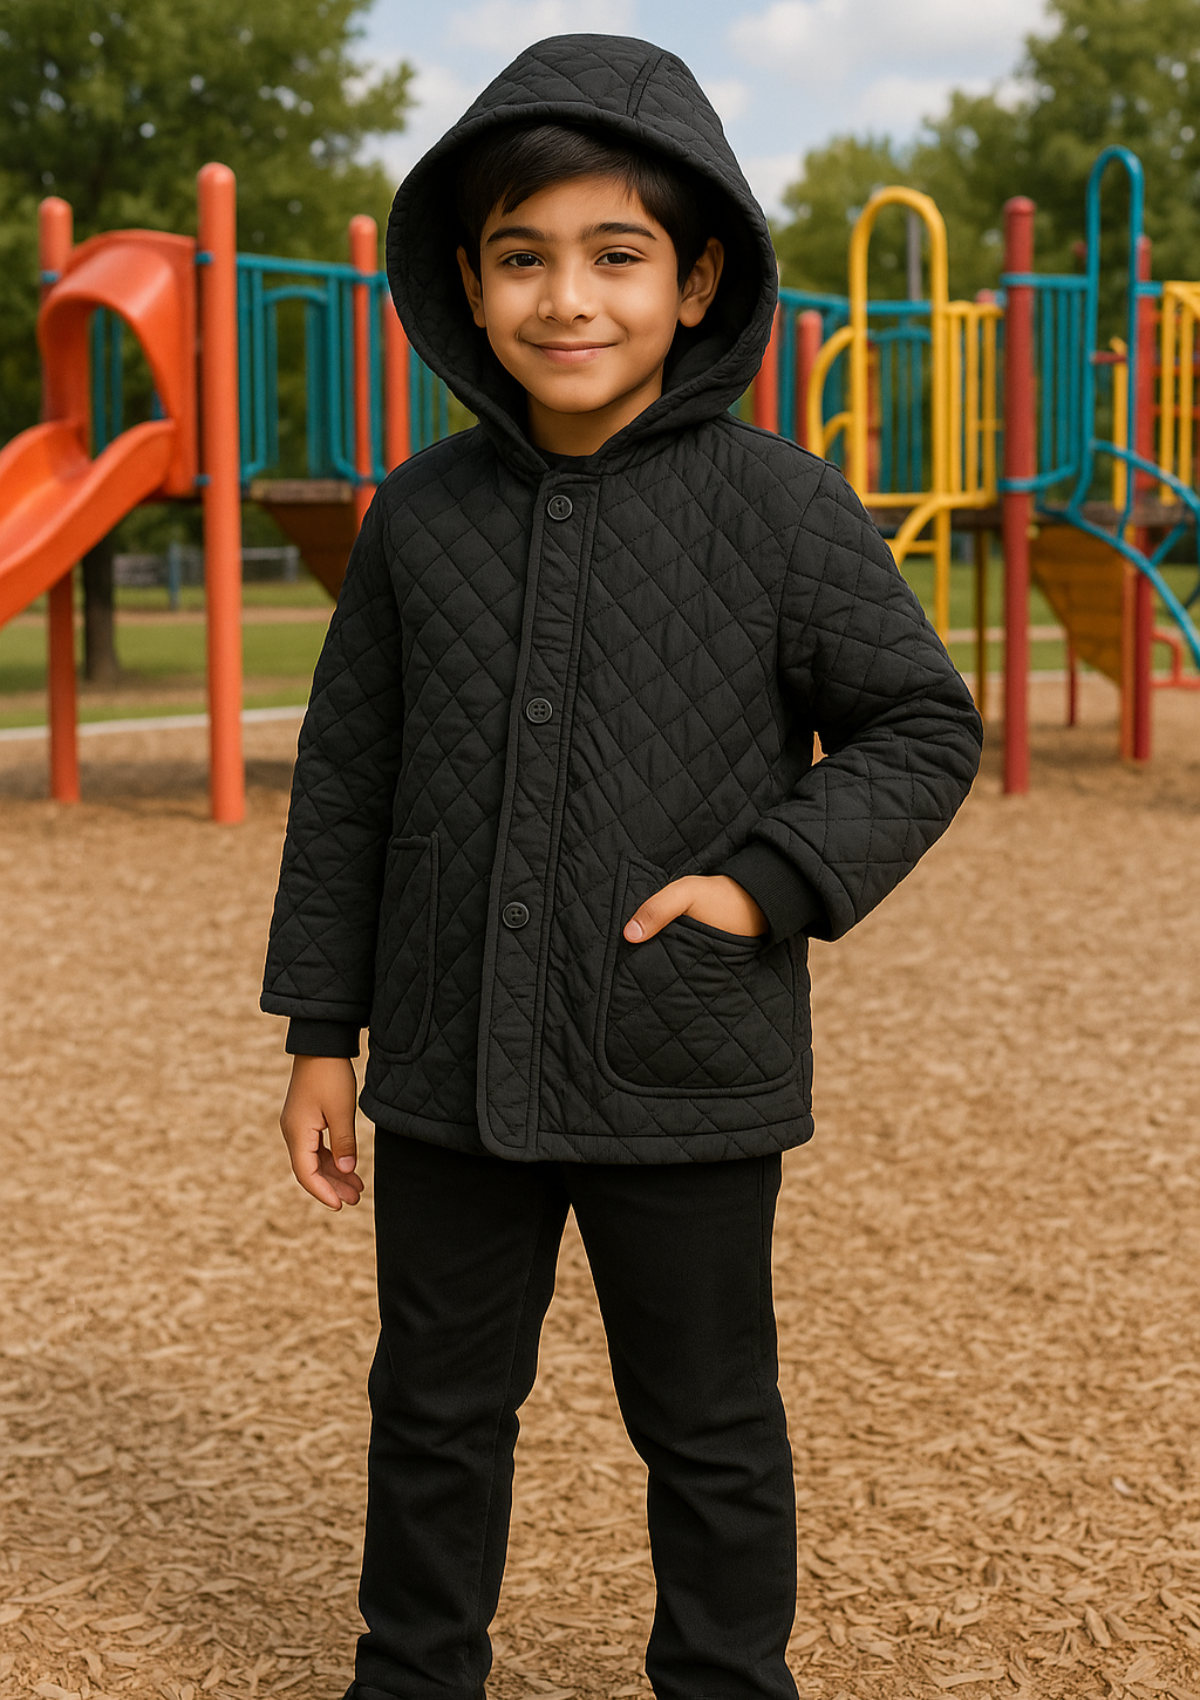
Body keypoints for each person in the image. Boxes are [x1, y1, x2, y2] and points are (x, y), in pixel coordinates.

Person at [261, 31, 983, 1700]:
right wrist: (319, 1032)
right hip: (446, 1064)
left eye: (616, 255)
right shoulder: (417, 517)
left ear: (697, 277)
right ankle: (412, 1674)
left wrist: (764, 883)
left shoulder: (781, 509)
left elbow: (919, 725)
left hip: (686, 1059)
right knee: (432, 1407)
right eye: (523, 258)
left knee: (708, 1422)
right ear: (467, 280)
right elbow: (348, 783)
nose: (567, 299)